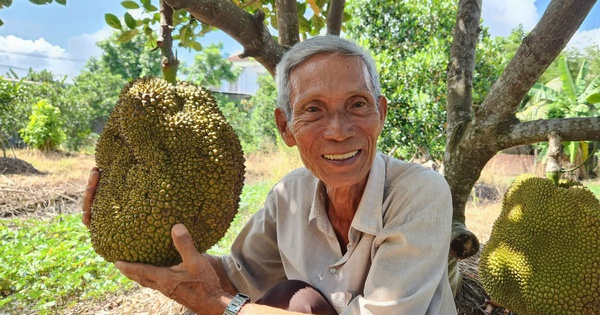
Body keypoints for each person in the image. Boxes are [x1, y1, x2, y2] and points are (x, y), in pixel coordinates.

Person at [82, 35, 457, 315]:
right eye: (313, 110)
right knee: (294, 298)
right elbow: (234, 276)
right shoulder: (289, 195)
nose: (339, 130)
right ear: (285, 127)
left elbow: (221, 295)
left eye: (357, 105)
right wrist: (138, 235)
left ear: (381, 114)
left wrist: (223, 306)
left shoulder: (420, 192)